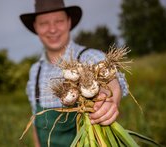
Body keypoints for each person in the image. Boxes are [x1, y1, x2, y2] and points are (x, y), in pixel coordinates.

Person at [20, 0, 128, 146]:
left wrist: (109, 101)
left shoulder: (88, 56)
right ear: (35, 27)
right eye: (44, 23)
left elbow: (112, 79)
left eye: (59, 21)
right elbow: (35, 122)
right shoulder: (35, 71)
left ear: (69, 22)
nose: (52, 29)